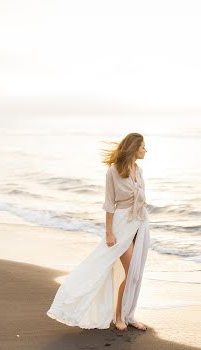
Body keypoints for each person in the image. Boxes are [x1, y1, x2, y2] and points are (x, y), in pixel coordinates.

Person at [46, 133, 150, 331]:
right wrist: (109, 232)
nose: (146, 150)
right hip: (123, 224)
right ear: (134, 147)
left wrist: (142, 223)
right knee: (130, 273)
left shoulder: (139, 170)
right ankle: (118, 316)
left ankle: (130, 315)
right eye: (143, 147)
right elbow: (110, 204)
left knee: (136, 274)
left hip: (141, 223)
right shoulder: (113, 171)